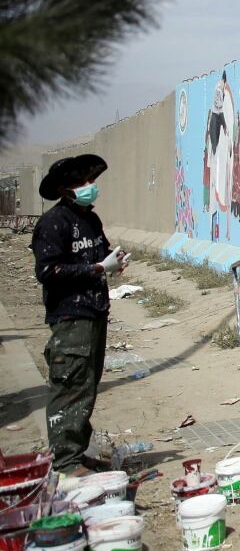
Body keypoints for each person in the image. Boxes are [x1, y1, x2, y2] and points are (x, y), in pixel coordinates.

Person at [29, 154, 128, 474]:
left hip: (95, 311)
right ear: (65, 189)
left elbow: (102, 254)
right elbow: (48, 271)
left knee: (86, 384)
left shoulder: (90, 220)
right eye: (81, 183)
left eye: (90, 181)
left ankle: (78, 451)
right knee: (69, 384)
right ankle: (65, 460)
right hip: (71, 317)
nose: (89, 187)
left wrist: (113, 262)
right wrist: (97, 268)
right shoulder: (53, 223)